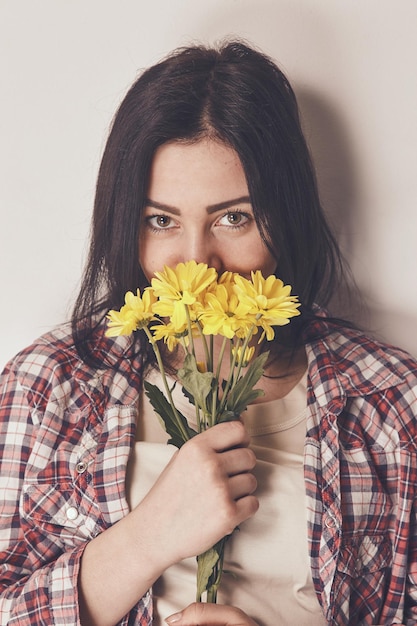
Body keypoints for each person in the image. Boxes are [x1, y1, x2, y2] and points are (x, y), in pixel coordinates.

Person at [1, 40, 417, 626]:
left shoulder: (392, 404)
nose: (197, 263)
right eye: (161, 221)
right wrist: (147, 537)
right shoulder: (49, 388)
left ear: (285, 217)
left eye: (233, 217)